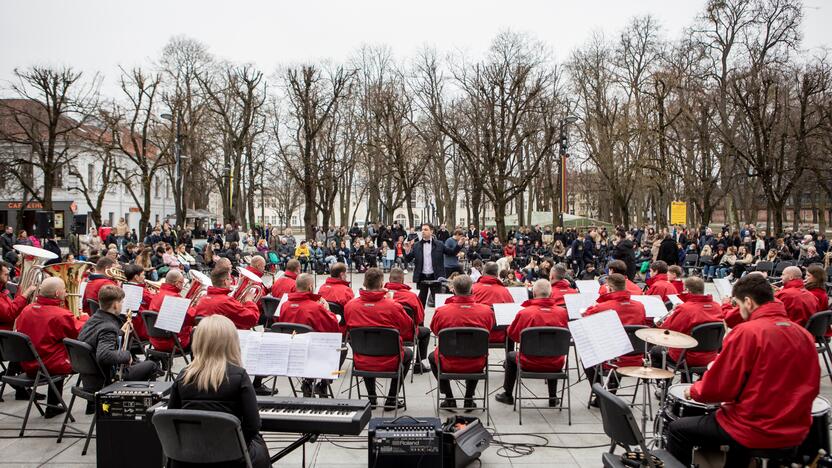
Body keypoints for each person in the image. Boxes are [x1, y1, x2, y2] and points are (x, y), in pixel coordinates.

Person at [666, 274, 820, 466]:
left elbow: (718, 389)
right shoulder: (803, 334)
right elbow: (812, 384)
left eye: (738, 304)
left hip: (754, 428)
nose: (738, 310)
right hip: (795, 429)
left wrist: (694, 390)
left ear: (748, 302)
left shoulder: (748, 332)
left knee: (677, 429)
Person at [168, 315, 270, 468]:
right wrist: (237, 447)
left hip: (190, 457)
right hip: (231, 458)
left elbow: (172, 420)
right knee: (260, 447)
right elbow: (253, 425)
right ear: (231, 342)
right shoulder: (239, 376)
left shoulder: (183, 375)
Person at [15, 277, 86, 418]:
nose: (66, 292)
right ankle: (59, 405)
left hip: (27, 365)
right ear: (58, 293)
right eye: (65, 290)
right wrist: (84, 318)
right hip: (50, 366)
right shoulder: (60, 314)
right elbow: (79, 333)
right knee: (87, 356)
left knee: (54, 349)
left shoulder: (26, 310)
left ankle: (54, 405)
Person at [344, 268, 413, 409]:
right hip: (391, 359)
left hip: (362, 360)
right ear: (382, 284)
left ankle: (372, 398)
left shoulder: (350, 306)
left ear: (364, 283)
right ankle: (392, 398)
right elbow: (408, 328)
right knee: (408, 353)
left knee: (367, 348)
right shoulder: (393, 306)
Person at [494, 279, 569, 407]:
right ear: (551, 294)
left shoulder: (525, 312)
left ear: (533, 293)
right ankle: (553, 397)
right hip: (556, 363)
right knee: (552, 352)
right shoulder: (562, 313)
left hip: (529, 362)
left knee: (510, 355)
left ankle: (507, 394)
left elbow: (512, 335)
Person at [77, 286, 158, 399]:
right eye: (121, 302)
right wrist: (127, 356)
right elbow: (104, 355)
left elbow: (98, 339)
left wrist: (120, 333)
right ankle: (138, 401)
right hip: (106, 379)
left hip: (89, 378)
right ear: (115, 305)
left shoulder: (93, 319)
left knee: (137, 364)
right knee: (151, 365)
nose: (122, 305)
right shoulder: (108, 327)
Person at [430, 274, 495, 410]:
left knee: (432, 357)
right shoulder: (486, 311)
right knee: (476, 350)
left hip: (448, 361)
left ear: (453, 290)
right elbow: (488, 329)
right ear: (472, 290)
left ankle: (449, 397)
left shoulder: (442, 311)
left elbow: (436, 331)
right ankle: (469, 398)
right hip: (476, 362)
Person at [582, 274, 648, 398]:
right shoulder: (640, 306)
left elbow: (585, 317)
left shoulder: (603, 307)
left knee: (587, 356)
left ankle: (600, 394)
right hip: (636, 357)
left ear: (610, 288)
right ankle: (611, 392)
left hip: (612, 359)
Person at [279, 273, 341, 398]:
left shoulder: (284, 305)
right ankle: (323, 383)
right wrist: (327, 311)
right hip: (313, 352)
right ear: (311, 287)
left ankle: (307, 381)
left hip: (291, 351)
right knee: (340, 348)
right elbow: (333, 328)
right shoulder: (315, 307)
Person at [649, 277, 723, 382]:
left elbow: (666, 330)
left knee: (655, 352)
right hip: (711, 355)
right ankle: (699, 382)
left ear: (687, 290)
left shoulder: (685, 309)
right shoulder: (717, 306)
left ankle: (664, 387)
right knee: (686, 340)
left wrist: (675, 313)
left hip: (686, 357)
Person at [402, 223, 464, 305]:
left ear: (431, 231)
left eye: (426, 229)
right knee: (420, 303)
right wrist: (407, 250)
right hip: (421, 277)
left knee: (438, 303)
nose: (423, 231)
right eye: (422, 229)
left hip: (436, 276)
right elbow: (408, 259)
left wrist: (459, 244)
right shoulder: (416, 245)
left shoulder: (439, 244)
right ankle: (421, 318)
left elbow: (451, 253)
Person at [384, 268, 430, 374]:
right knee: (426, 332)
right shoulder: (411, 296)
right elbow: (419, 319)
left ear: (389, 279)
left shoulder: (381, 295)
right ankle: (418, 365)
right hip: (406, 334)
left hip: (383, 333)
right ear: (403, 280)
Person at [193, 267, 259, 330]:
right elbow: (252, 319)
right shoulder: (226, 301)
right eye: (230, 279)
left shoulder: (203, 299)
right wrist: (249, 301)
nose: (231, 282)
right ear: (225, 281)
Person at [472, 262, 514, 351]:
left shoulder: (472, 289)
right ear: (497, 274)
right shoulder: (504, 291)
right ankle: (510, 360)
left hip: (474, 336)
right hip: (499, 336)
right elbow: (511, 316)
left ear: (483, 272)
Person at [148, 270, 193, 352]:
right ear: (177, 283)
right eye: (182, 283)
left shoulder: (156, 295)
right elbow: (191, 319)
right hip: (173, 343)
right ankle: (196, 363)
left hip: (155, 342)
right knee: (197, 332)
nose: (183, 286)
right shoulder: (176, 298)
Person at [122, 264, 155, 342]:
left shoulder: (122, 287)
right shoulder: (141, 291)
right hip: (139, 328)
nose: (144, 277)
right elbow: (153, 302)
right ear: (136, 277)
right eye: (143, 275)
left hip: (126, 325)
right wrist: (153, 293)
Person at [0, 262, 36, 330]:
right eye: (6, 274)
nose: (8, 276)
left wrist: (21, 292)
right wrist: (26, 293)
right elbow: (9, 313)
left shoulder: (2, 289)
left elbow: (11, 305)